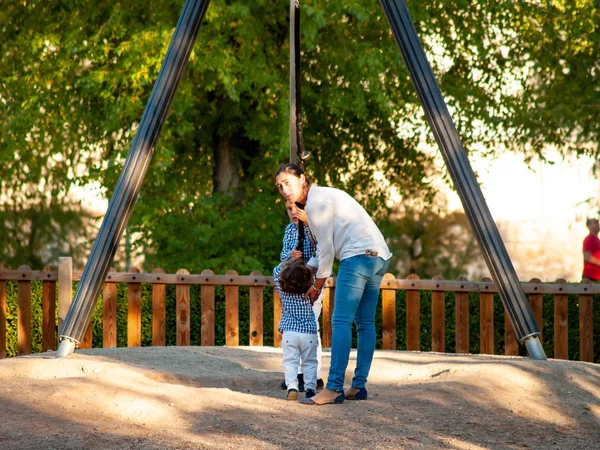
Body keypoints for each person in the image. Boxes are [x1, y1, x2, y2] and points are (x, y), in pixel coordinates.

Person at [274, 163, 392, 406]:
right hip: (379, 257)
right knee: (365, 323)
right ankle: (358, 386)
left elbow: (327, 251)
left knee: (340, 321)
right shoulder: (326, 196)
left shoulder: (315, 204)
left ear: (303, 179)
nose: (284, 190)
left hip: (357, 258)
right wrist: (309, 270)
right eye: (280, 186)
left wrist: (316, 286)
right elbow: (322, 250)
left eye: (288, 182)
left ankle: (334, 388)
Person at [273, 200, 324, 399]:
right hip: (292, 283)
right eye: (289, 209)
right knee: (298, 328)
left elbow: (322, 252)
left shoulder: (315, 227)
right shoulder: (288, 230)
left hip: (311, 284)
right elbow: (283, 257)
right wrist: (290, 255)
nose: (293, 212)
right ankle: (298, 376)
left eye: (297, 208)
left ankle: (313, 375)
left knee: (312, 325)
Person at [276, 259, 319, 400]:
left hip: (290, 332)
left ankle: (292, 387)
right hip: (308, 333)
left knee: (290, 362)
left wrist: (288, 260)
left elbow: (276, 271)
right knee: (310, 362)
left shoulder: (283, 291)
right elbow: (316, 274)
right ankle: (310, 389)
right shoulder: (310, 290)